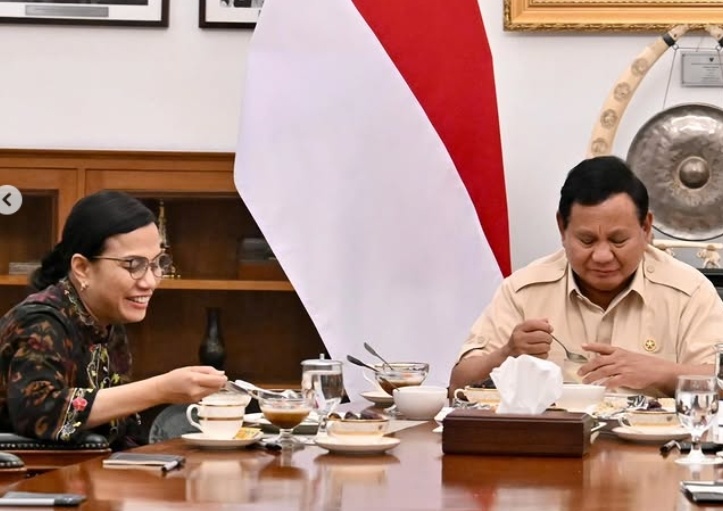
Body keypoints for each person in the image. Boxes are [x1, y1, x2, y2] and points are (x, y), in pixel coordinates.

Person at [450, 156, 723, 397]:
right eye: (587, 240)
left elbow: (719, 383)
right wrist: (506, 354)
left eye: (618, 240)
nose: (602, 256)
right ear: (562, 227)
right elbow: (457, 386)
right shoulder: (523, 290)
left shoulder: (689, 291)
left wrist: (663, 373)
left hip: (656, 452)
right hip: (550, 449)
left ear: (646, 227)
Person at [0, 190, 228, 449]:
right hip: (28, 483)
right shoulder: (40, 322)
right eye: (133, 264)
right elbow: (40, 413)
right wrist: (160, 389)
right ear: (82, 268)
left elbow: (121, 430)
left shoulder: (107, 321)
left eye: (157, 264)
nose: (149, 281)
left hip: (90, 476)